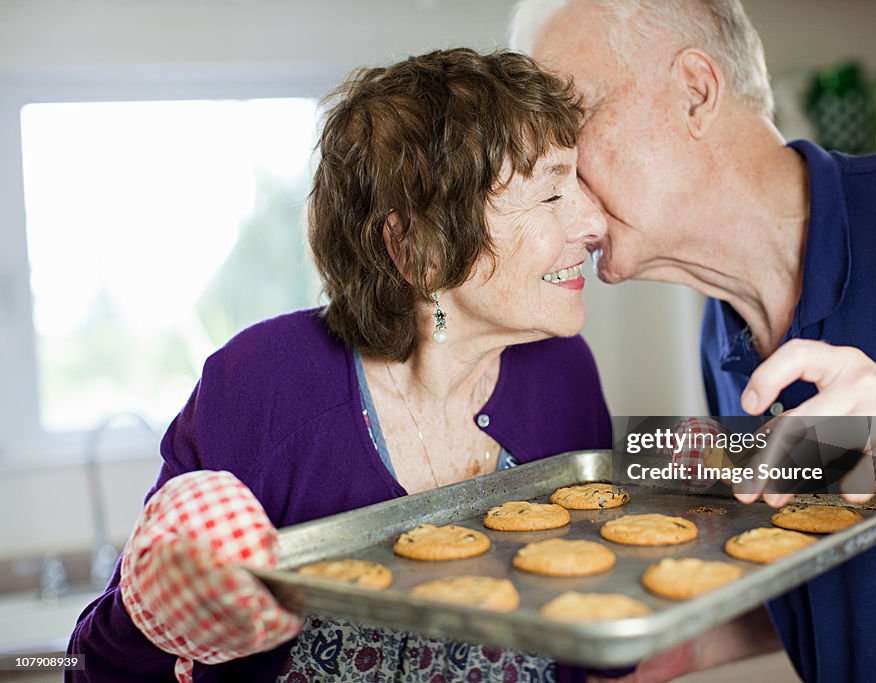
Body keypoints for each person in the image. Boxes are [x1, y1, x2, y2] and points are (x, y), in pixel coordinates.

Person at [511, 1, 876, 681]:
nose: (561, 194)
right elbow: (844, 577)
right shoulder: (720, 335)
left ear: (695, 92)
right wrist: (692, 643)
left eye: (571, 132)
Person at [67, 47, 614, 682]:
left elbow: (590, 633)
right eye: (550, 194)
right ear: (417, 249)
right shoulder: (264, 385)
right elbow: (87, 666)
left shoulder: (563, 376)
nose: (594, 221)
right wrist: (157, 615)